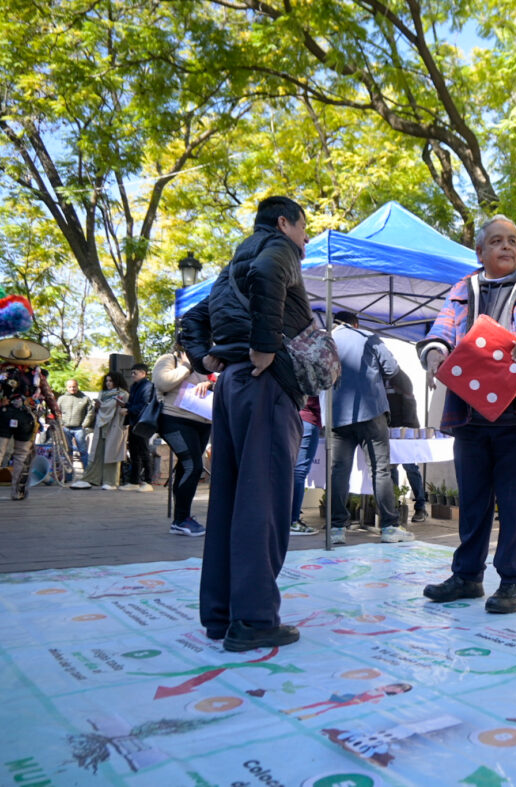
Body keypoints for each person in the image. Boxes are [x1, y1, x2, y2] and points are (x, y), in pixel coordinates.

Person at [418, 214, 516, 614]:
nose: (507, 247)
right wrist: (435, 354)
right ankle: (467, 577)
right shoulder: (461, 290)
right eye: (498, 241)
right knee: (472, 501)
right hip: (470, 415)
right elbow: (438, 333)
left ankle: (514, 582)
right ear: (480, 251)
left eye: (513, 241)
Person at [181, 194, 313, 653]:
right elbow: (268, 275)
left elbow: (192, 318)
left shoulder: (228, 267)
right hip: (265, 384)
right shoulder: (277, 250)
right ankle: (254, 620)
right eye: (303, 228)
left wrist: (205, 356)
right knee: (264, 501)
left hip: (233, 384)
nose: (305, 238)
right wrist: (264, 345)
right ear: (283, 223)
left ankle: (222, 615)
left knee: (230, 503)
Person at [327, 310, 411, 544]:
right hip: (371, 411)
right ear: (355, 323)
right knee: (380, 470)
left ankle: (336, 530)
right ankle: (389, 528)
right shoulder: (368, 337)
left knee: (338, 472)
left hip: (336, 415)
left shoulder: (326, 342)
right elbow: (392, 370)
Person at [0, 338, 60, 502]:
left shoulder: (1, 373)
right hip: (27, 417)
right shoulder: (37, 375)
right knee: (22, 455)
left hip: (4, 416)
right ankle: (18, 492)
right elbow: (49, 396)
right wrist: (56, 414)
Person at [153, 345, 214, 536]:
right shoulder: (169, 359)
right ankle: (181, 519)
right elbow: (162, 383)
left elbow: (222, 381)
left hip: (203, 421)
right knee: (194, 466)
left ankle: (181, 517)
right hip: (175, 420)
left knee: (186, 467)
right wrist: (187, 366)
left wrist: (210, 384)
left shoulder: (207, 362)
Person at [71, 371, 129, 490]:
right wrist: (97, 407)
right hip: (101, 426)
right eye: (106, 381)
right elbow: (99, 409)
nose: (108, 383)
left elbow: (122, 408)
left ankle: (111, 482)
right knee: (96, 453)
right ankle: (90, 479)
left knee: (112, 454)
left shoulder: (123, 394)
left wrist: (104, 406)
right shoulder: (102, 393)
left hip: (114, 426)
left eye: (111, 381)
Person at [386, 367, 428, 523]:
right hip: (386, 430)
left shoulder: (400, 379)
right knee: (391, 468)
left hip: (405, 430)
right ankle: (394, 504)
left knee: (410, 467)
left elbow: (410, 403)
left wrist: (409, 429)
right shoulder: (377, 379)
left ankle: (421, 507)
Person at [289, 395, 322, 537]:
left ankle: (289, 519)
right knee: (299, 471)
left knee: (291, 471)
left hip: (291, 415)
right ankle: (292, 521)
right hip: (307, 417)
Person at [122, 362, 156, 492]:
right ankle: (134, 481)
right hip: (133, 421)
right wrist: (125, 406)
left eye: (134, 373)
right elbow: (134, 403)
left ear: (143, 373)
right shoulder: (135, 386)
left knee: (144, 451)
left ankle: (148, 481)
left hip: (142, 422)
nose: (132, 375)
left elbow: (145, 404)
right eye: (131, 373)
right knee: (134, 452)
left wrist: (129, 410)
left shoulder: (148, 386)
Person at [57, 378, 94, 475]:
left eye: (74, 386)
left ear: (77, 386)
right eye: (70, 387)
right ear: (67, 387)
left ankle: (87, 474)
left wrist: (84, 424)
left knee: (83, 451)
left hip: (79, 429)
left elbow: (90, 412)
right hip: (66, 428)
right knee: (67, 451)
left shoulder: (85, 398)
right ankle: (68, 475)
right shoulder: (61, 399)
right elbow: (57, 412)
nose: (72, 388)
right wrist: (61, 423)